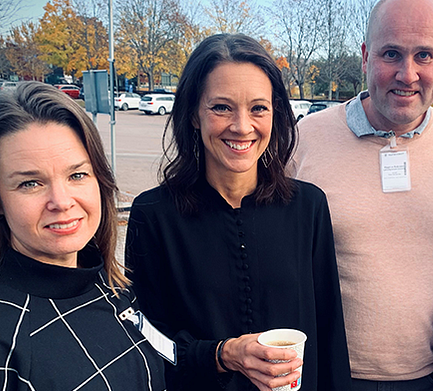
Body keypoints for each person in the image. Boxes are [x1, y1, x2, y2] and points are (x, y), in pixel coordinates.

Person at [125, 33, 351, 391]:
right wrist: (221, 354)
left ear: (276, 115)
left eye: (258, 108)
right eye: (221, 107)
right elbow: (146, 342)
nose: (242, 126)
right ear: (194, 115)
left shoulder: (308, 207)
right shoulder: (153, 215)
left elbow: (330, 334)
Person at [290, 0, 433, 391]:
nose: (407, 74)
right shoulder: (306, 139)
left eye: (424, 56)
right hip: (326, 374)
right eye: (390, 54)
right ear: (365, 56)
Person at [0, 82, 167, 391]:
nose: (61, 201)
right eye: (30, 183)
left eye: (77, 175)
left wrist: (222, 355)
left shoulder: (108, 284)